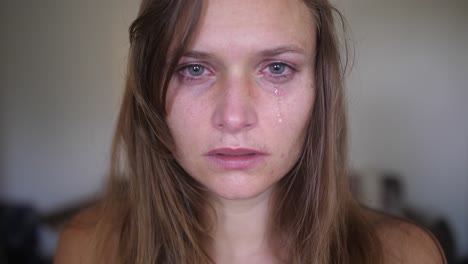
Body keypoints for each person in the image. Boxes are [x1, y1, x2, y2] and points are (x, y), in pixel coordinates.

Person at [55, 0, 446, 263]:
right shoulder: (88, 247)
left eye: (277, 68)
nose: (234, 117)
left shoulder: (402, 255)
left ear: (318, 90)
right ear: (149, 88)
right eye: (194, 69)